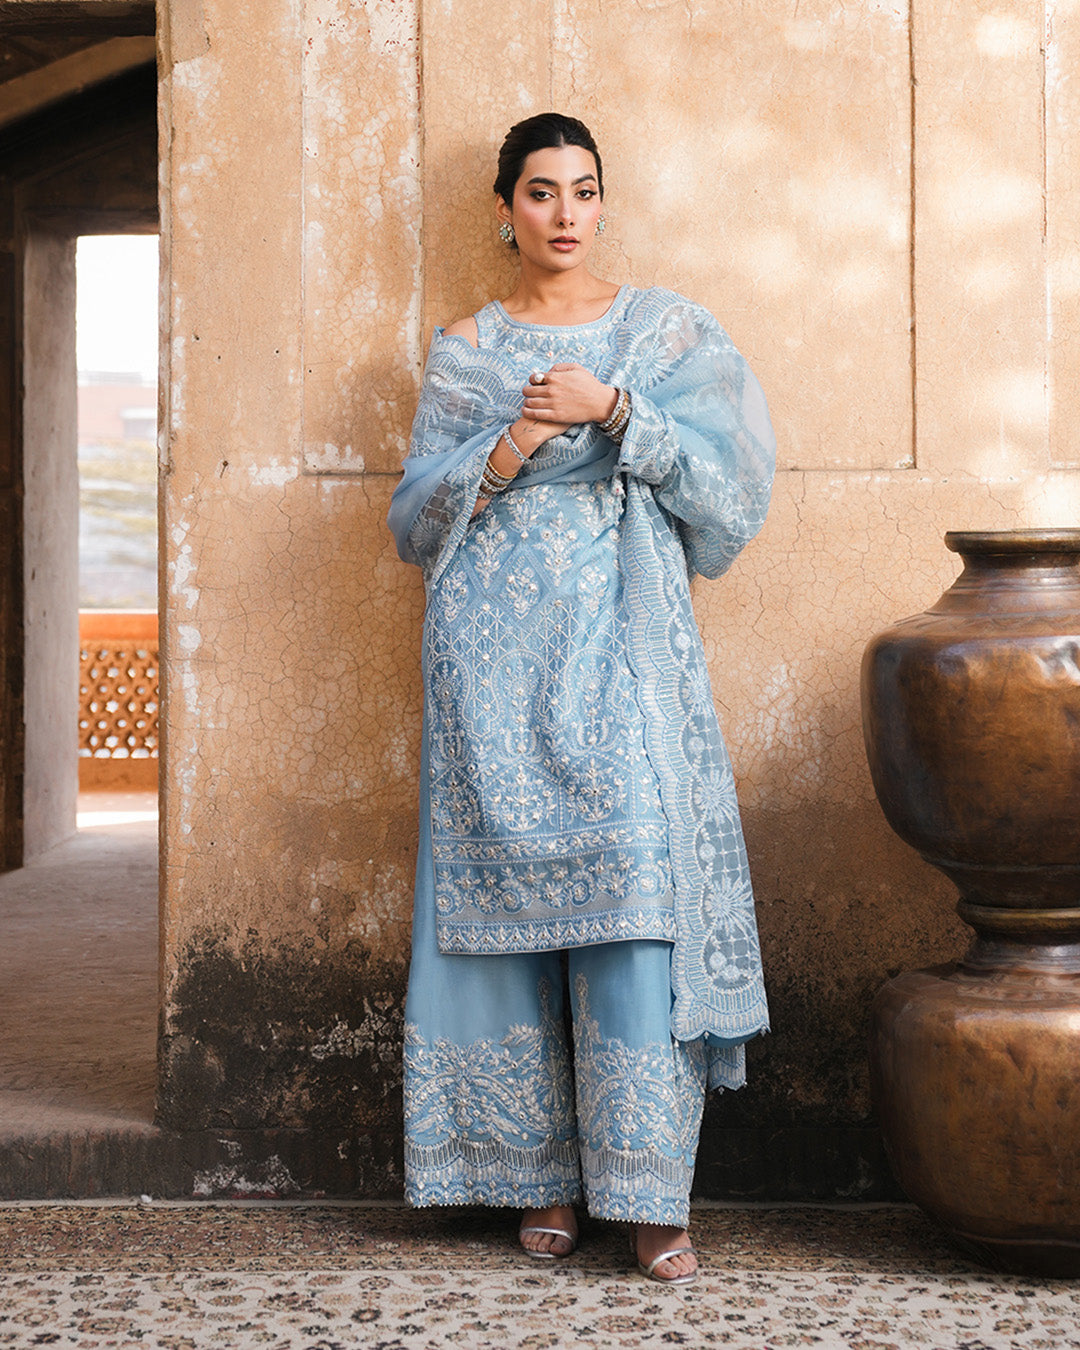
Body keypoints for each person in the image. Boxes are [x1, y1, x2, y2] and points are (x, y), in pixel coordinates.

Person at [387, 113, 775, 1285]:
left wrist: (616, 411)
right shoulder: (465, 351)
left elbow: (731, 495)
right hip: (492, 674)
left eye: (585, 190)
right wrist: (514, 436)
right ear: (505, 208)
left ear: (603, 203)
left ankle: (651, 1197)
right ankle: (540, 1180)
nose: (566, 213)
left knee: (636, 912)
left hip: (625, 662)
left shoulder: (661, 335)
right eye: (542, 191)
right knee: (501, 925)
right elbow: (415, 519)